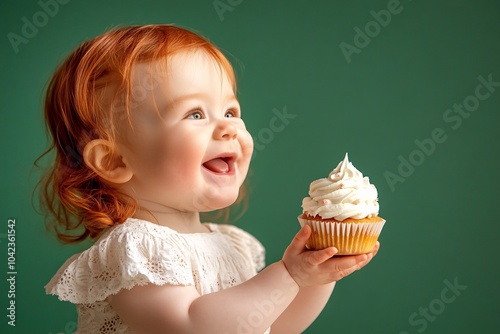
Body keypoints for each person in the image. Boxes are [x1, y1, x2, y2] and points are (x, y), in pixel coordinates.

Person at [39, 24, 379, 333]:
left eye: (230, 111)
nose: (229, 127)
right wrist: (289, 275)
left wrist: (318, 275)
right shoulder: (135, 248)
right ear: (113, 160)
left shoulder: (234, 243)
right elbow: (192, 326)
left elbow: (272, 326)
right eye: (195, 114)